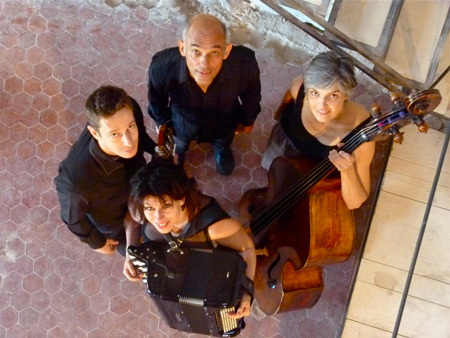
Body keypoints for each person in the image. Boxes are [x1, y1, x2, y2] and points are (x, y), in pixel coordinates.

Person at [124, 160, 256, 318]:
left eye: (166, 206)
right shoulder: (141, 209)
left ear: (181, 200)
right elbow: (131, 220)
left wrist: (247, 293)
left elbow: (247, 248)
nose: (158, 218)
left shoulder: (215, 227)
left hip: (208, 270)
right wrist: (129, 252)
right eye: (150, 208)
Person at [147, 14, 261, 175]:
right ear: (182, 48)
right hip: (182, 122)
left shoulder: (244, 66)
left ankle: (221, 149)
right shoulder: (162, 67)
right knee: (179, 142)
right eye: (196, 51)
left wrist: (247, 119)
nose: (204, 64)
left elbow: (252, 95)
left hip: (224, 121)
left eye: (214, 52)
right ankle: (179, 152)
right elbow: (156, 100)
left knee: (223, 139)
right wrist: (165, 125)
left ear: (227, 51)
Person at [261, 51, 375, 209]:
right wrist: (279, 112)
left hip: (310, 171)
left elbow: (354, 203)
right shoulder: (300, 86)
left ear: (346, 95)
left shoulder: (360, 130)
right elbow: (288, 97)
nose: (321, 106)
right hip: (284, 143)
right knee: (272, 171)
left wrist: (347, 169)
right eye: (315, 93)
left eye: (333, 96)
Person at [55, 85, 157, 257]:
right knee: (139, 255)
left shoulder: (128, 109)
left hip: (137, 183)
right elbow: (73, 219)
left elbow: (142, 136)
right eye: (115, 134)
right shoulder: (76, 182)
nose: (129, 141)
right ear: (95, 132)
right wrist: (97, 242)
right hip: (114, 220)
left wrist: (156, 149)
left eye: (130, 127)